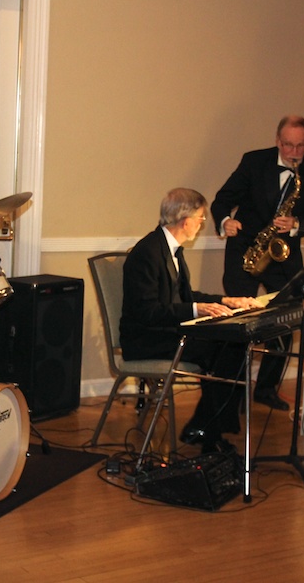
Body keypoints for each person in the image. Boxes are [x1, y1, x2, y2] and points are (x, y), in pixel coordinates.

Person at [120, 188, 260, 453]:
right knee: (224, 350)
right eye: (200, 218)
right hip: (146, 339)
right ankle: (207, 430)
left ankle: (205, 426)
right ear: (186, 221)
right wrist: (197, 309)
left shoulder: (171, 249)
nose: (201, 224)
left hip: (165, 332)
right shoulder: (147, 253)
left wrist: (225, 300)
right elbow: (147, 312)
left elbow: (184, 296)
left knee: (233, 346)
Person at [211, 115, 304, 411]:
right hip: (246, 251)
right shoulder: (254, 161)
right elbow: (222, 200)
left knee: (285, 321)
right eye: (288, 145)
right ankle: (234, 392)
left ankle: (265, 388)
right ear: (278, 141)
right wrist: (226, 221)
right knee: (239, 321)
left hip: (283, 255)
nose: (293, 153)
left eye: (301, 146)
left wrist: (297, 223)